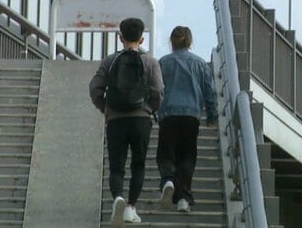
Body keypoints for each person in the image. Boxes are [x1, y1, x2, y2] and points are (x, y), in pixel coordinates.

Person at [89, 18, 164, 227]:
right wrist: (151, 108)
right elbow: (158, 91)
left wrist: (104, 107)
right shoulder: (150, 62)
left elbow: (94, 88)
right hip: (141, 120)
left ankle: (118, 198)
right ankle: (131, 208)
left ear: (120, 37)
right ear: (141, 38)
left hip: (116, 121)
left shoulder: (110, 61)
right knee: (138, 165)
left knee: (116, 167)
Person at [156, 25, 218, 212]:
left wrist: (152, 110)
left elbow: (155, 88)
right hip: (191, 115)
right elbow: (210, 92)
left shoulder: (163, 63)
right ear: (189, 42)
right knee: (187, 155)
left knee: (166, 152)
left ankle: (167, 180)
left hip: (168, 114)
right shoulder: (199, 64)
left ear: (171, 42)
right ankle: (183, 198)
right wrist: (212, 116)